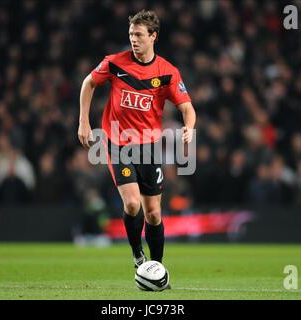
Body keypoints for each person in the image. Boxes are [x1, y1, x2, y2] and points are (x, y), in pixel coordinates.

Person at [78, 10, 196, 280]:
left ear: (153, 36)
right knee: (132, 204)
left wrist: (189, 127)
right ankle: (136, 254)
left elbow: (187, 107)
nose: (133, 39)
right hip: (118, 141)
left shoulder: (167, 72)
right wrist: (84, 121)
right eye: (131, 34)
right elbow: (88, 83)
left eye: (139, 35)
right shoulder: (115, 63)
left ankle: (157, 266)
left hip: (149, 147)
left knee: (153, 213)